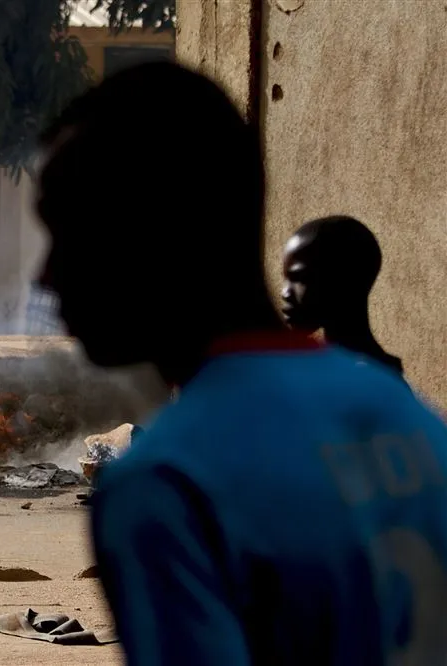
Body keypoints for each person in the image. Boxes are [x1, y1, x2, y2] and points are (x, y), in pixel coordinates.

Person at [35, 61, 447, 666]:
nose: (45, 277)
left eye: (67, 233)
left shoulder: (166, 485)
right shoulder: (412, 422)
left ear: (147, 234)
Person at [281, 216, 404, 375]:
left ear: (345, 279)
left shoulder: (368, 380)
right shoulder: (320, 369)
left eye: (300, 278)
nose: (285, 293)